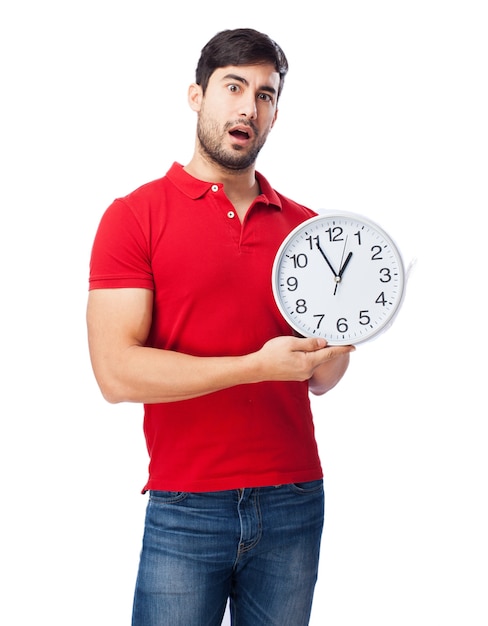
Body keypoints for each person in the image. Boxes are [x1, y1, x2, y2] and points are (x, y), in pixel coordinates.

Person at [87, 27, 355, 626]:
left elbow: (321, 379)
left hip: (294, 497)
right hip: (186, 504)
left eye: (265, 94)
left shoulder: (308, 229)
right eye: (233, 86)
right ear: (196, 96)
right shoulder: (135, 217)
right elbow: (116, 372)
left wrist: (339, 342)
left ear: (275, 114)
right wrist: (256, 367)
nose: (248, 107)